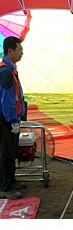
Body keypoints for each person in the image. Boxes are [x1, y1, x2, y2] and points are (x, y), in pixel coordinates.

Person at [0, 36, 26, 199]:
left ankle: (11, 180)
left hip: (12, 118)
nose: (22, 53)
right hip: (5, 120)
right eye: (19, 50)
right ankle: (4, 186)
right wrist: (12, 121)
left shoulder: (11, 70)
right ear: (10, 51)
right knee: (5, 152)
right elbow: (6, 99)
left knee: (12, 151)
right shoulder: (5, 72)